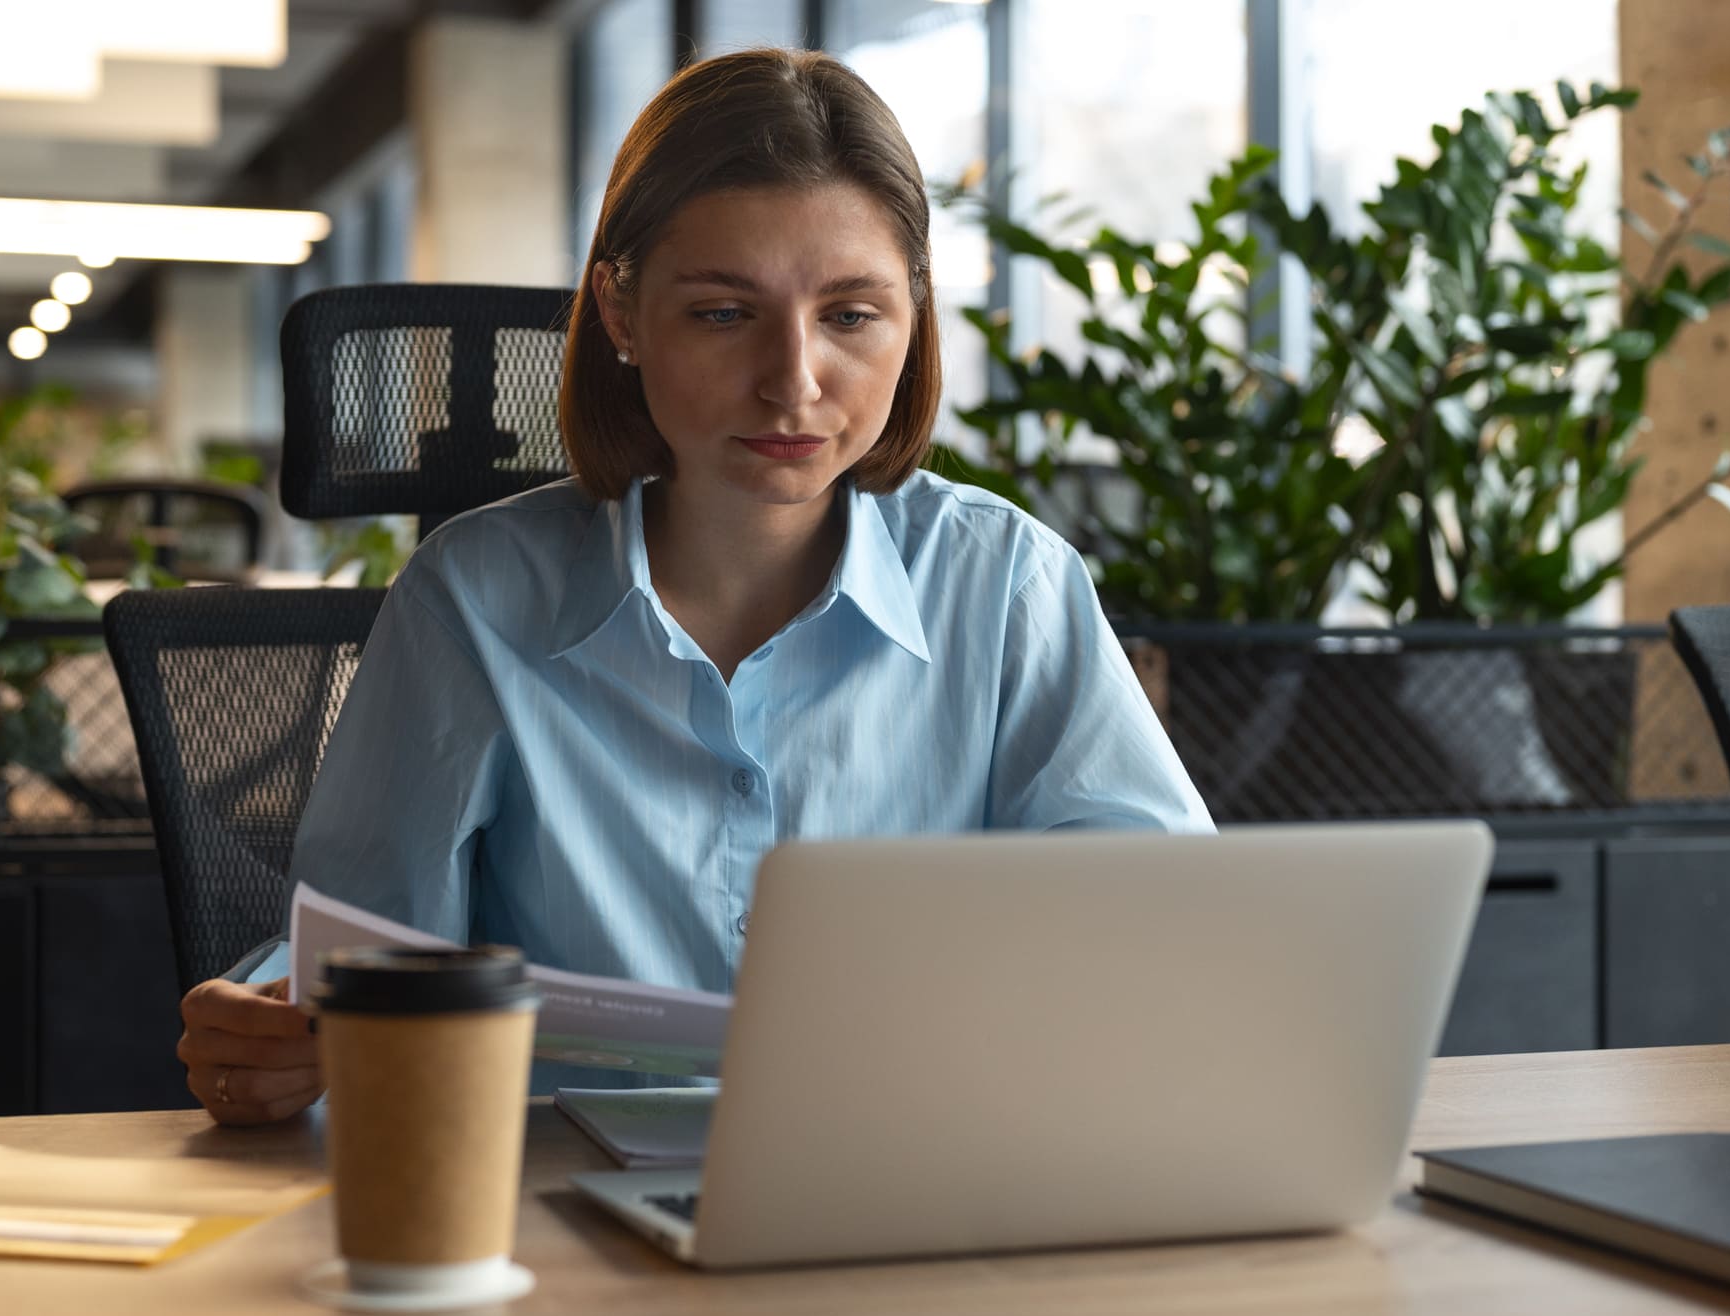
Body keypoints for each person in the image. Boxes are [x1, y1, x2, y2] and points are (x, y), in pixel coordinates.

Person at [177, 47, 1213, 1125]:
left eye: (851, 316)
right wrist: (270, 1025)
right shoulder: (475, 600)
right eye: (723, 313)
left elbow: (1158, 933)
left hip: (915, 1184)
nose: (794, 381)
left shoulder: (1006, 585)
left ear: (913, 316)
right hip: (559, 1212)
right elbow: (357, 959)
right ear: (620, 315)